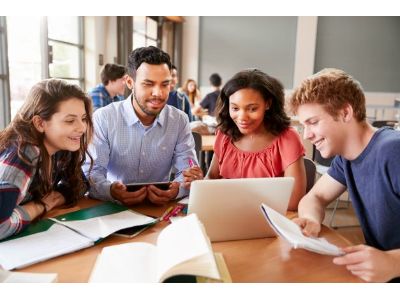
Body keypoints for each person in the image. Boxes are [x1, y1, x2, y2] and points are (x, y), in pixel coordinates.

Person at [289, 68, 400, 283]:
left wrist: (393, 262)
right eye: (304, 126)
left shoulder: (393, 152)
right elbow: (315, 198)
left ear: (345, 113)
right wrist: (311, 219)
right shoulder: (345, 159)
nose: (307, 135)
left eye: (313, 122)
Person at [83, 46, 200, 206]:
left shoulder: (179, 120)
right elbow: (92, 173)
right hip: (112, 208)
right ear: (130, 82)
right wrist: (111, 191)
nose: (158, 93)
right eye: (148, 84)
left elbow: (187, 172)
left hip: (159, 209)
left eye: (164, 84)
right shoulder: (104, 118)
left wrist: (178, 188)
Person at [186, 69, 306, 211]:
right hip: (226, 215)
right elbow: (212, 178)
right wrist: (200, 184)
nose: (242, 117)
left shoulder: (287, 138)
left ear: (267, 104)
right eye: (235, 108)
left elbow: (293, 202)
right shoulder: (224, 134)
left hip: (270, 219)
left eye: (252, 109)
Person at [0, 79, 93, 240]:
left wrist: (55, 198)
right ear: (40, 123)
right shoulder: (22, 154)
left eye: (83, 118)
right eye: (70, 121)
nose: (82, 127)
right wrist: (40, 206)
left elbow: (80, 184)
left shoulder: (59, 148)